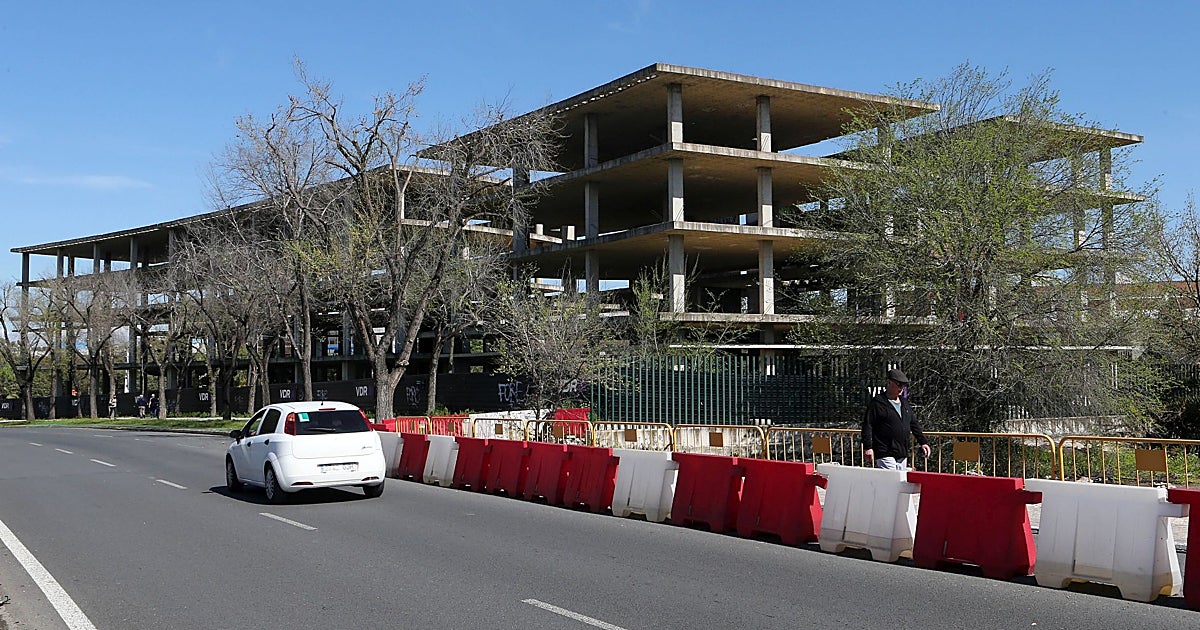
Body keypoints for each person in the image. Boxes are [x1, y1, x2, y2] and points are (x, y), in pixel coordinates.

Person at [861, 368, 930, 471]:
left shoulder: (904, 403)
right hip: (885, 451)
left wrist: (923, 442)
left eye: (904, 386)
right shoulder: (878, 403)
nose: (901, 388)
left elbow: (913, 424)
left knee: (901, 482)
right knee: (891, 482)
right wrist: (868, 447)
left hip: (901, 452)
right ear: (889, 383)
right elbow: (867, 425)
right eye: (899, 385)